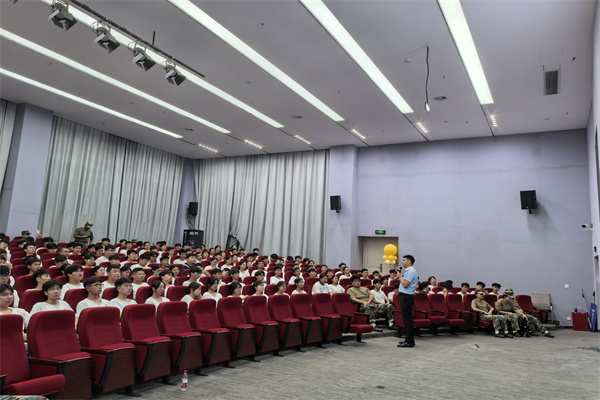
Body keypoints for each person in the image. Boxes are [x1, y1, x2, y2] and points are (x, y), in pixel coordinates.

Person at [397, 255, 418, 348]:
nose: (402, 262)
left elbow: (405, 284)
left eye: (404, 260)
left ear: (409, 262)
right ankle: (408, 339)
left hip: (407, 296)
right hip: (405, 296)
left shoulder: (411, 271)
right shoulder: (408, 271)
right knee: (406, 319)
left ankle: (410, 341)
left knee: (408, 319)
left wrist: (400, 277)